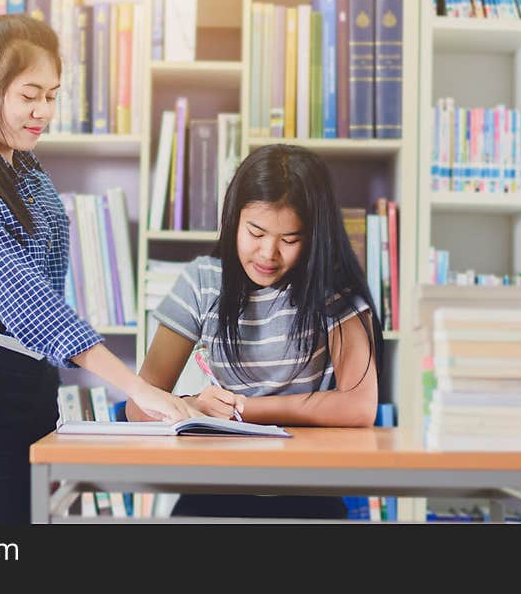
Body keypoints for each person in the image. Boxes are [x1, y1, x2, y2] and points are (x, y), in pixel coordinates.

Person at [0, 13, 194, 524]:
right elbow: (27, 300)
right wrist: (134, 385)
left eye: (51, 94)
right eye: (28, 95)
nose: (42, 111)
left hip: (31, 383)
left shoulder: (31, 174)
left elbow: (47, 291)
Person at [126, 144, 383, 520]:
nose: (268, 253)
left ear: (314, 236)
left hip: (307, 490)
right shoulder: (203, 282)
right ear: (234, 219)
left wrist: (240, 411)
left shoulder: (333, 293)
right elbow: (139, 402)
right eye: (255, 232)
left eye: (290, 239)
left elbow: (359, 407)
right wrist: (193, 407)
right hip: (216, 487)